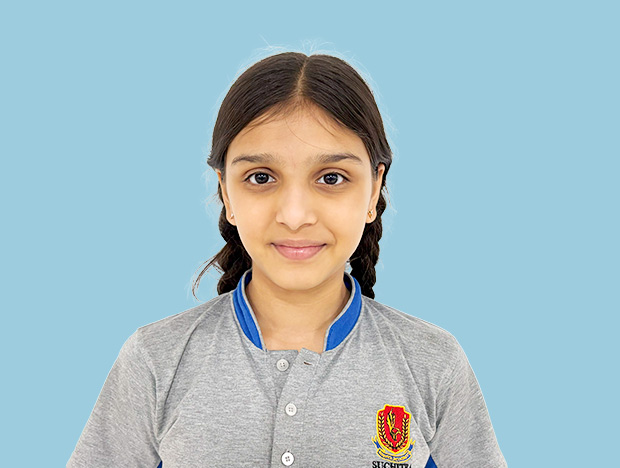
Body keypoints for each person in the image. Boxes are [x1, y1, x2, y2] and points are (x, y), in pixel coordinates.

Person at [67, 51, 507, 467]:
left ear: (374, 189)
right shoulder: (156, 360)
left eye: (331, 178)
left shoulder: (432, 363)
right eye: (261, 177)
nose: (295, 216)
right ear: (225, 192)